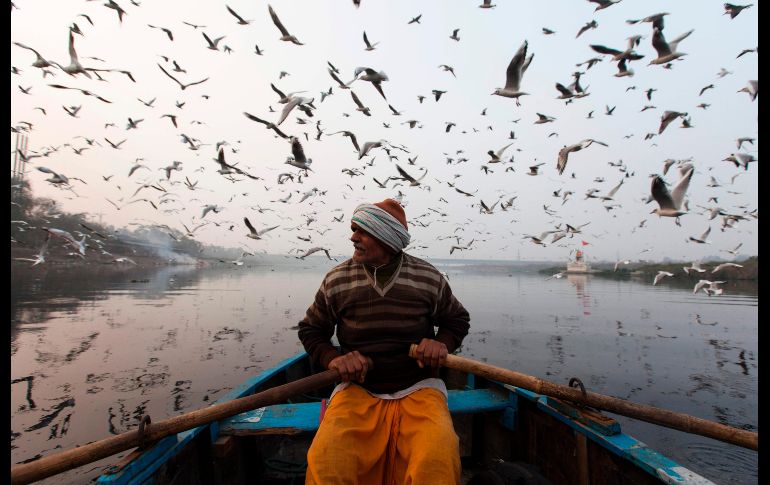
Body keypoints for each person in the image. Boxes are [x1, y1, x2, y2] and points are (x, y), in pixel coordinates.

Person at [298, 198, 471, 484]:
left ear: (386, 238)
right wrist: (335, 359)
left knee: (436, 462)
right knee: (326, 464)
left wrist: (442, 344)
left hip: (419, 388)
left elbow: (457, 320)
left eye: (361, 231)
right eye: (354, 230)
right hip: (358, 390)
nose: (353, 237)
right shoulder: (337, 280)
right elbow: (311, 330)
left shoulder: (428, 278)